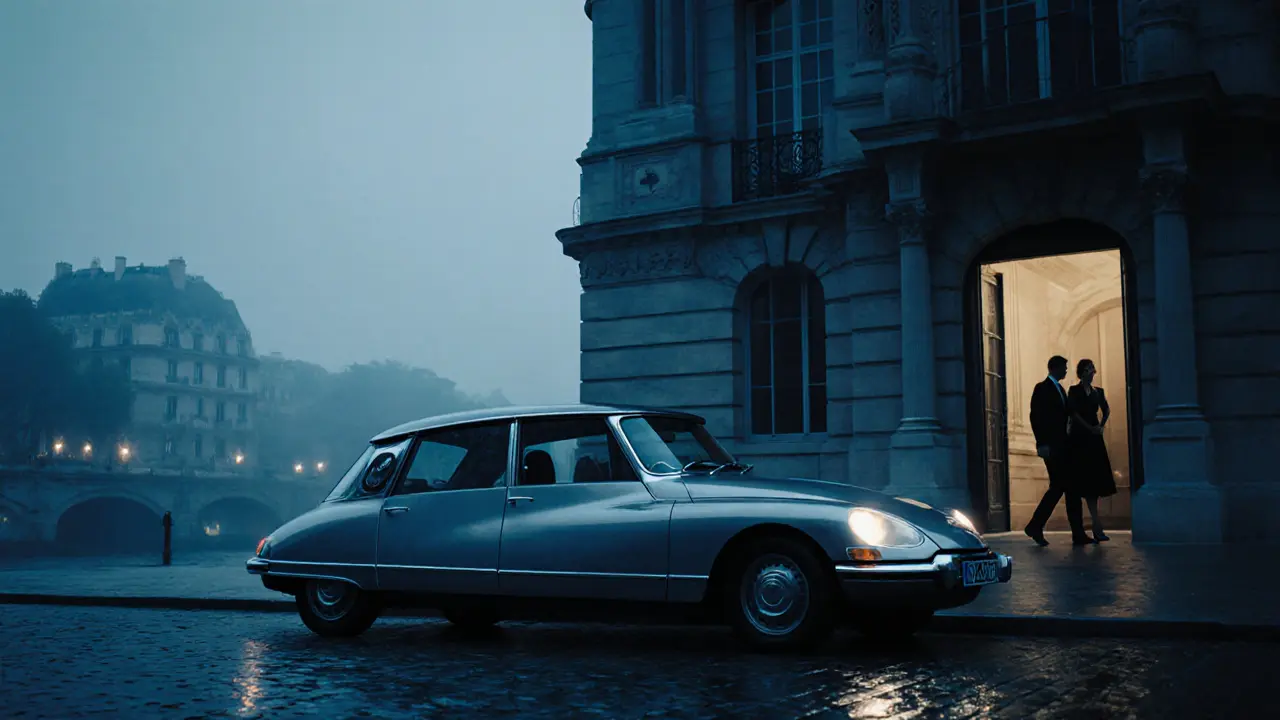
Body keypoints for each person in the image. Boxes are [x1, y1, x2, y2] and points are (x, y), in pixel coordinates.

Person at [1023, 355, 1090, 546]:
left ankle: (1073, 532)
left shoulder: (1060, 389)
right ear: (1055, 368)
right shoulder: (1042, 388)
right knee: (1062, 486)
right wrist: (1041, 444)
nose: (1067, 371)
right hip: (1052, 447)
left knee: (1068, 488)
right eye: (1065, 367)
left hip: (1064, 446)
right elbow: (1036, 417)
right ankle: (1038, 526)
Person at [1067, 358, 1118, 542]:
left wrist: (1101, 426)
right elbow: (1073, 413)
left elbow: (1106, 410)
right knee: (1083, 482)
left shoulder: (1099, 392)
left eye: (1092, 368)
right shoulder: (1074, 390)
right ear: (1081, 372)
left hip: (1094, 438)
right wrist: (1090, 428)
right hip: (1080, 439)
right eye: (1088, 369)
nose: (1091, 372)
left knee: (1094, 482)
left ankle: (1096, 524)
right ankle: (1094, 525)